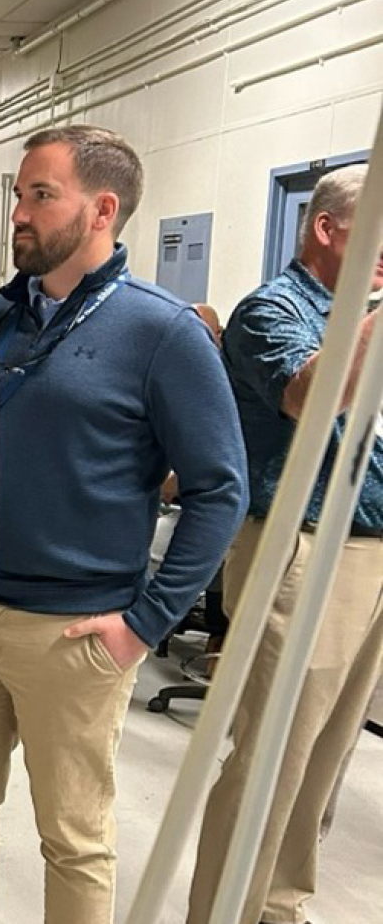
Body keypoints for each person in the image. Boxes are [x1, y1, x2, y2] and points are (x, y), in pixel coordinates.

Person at [0, 125, 248, 924]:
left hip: (75, 636)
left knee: (72, 839)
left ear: (103, 210)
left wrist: (145, 624)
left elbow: (220, 489)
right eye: (16, 196)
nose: (19, 215)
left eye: (42, 195)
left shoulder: (162, 331)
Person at [187, 163, 383, 924]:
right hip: (304, 549)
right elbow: (311, 393)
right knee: (274, 753)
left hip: (368, 552)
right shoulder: (275, 308)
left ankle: (278, 905)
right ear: (328, 229)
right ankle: (225, 911)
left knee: (327, 759)